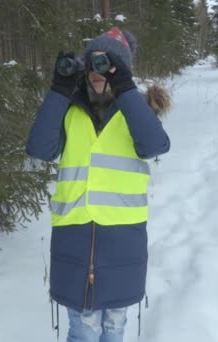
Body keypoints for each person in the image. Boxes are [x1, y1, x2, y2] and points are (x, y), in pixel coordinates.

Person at [26, 27, 171, 342]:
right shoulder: (70, 109)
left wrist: (124, 87)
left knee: (113, 330)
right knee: (84, 332)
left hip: (123, 242)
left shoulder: (135, 110)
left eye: (106, 63)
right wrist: (59, 90)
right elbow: (39, 149)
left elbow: (155, 145)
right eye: (91, 63)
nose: (96, 70)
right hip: (74, 239)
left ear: (122, 68)